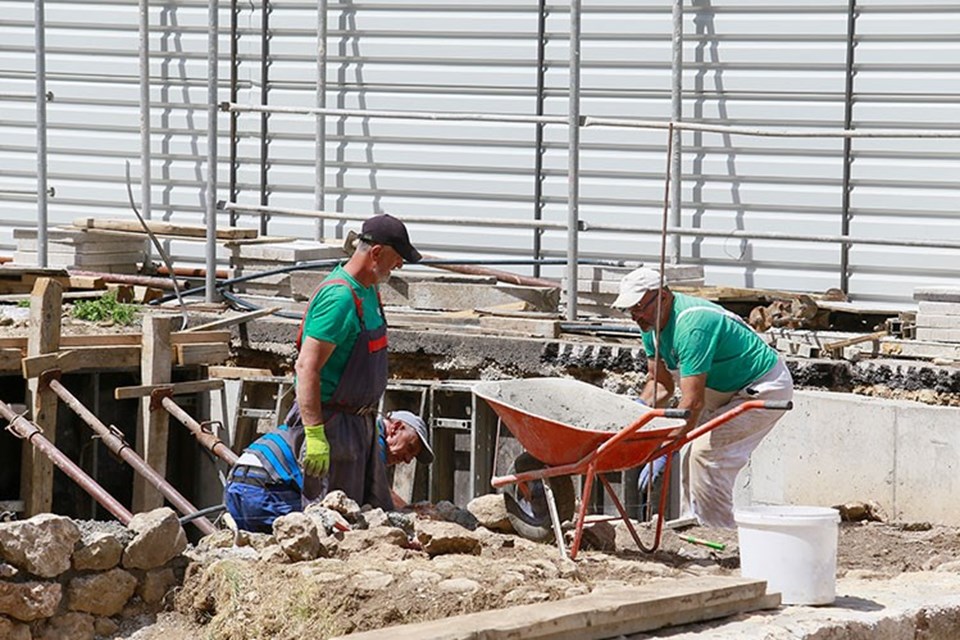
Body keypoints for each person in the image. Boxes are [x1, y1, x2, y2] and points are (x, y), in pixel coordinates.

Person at [612, 267, 793, 529]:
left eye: (639, 307)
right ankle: (690, 525)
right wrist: (638, 414)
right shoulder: (650, 325)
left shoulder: (693, 325)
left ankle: (717, 530)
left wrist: (664, 450)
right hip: (722, 391)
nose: (634, 315)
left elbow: (692, 403)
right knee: (690, 453)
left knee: (706, 453)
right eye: (630, 309)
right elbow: (660, 384)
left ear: (662, 296)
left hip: (762, 386)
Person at [224, 409, 433, 533]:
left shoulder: (355, 430)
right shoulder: (369, 438)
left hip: (237, 487)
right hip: (265, 492)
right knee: (333, 531)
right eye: (410, 448)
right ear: (395, 428)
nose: (406, 459)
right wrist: (409, 514)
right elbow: (381, 495)